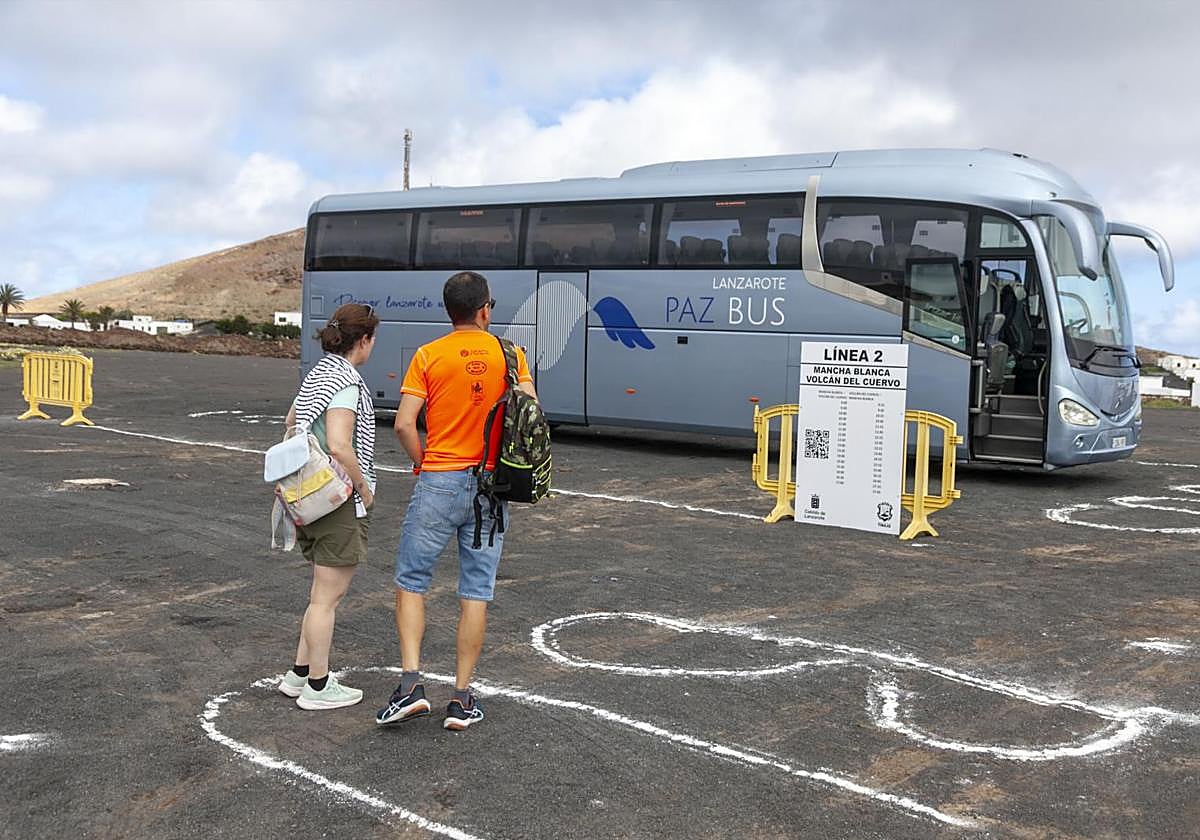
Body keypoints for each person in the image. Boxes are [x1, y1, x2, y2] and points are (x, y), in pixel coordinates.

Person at [376, 271, 536, 731]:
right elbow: (530, 414)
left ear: (449, 311)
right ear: (485, 308)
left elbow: (406, 424)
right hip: (491, 485)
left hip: (439, 479)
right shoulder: (511, 355)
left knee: (412, 580)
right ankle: (462, 698)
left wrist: (424, 462)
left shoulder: (428, 355)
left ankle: (410, 685)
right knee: (476, 590)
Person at [277, 302, 380, 710]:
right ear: (365, 339)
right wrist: (363, 486)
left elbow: (291, 420)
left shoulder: (318, 373)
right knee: (326, 600)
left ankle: (299, 674)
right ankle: (319, 687)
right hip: (336, 501)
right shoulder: (347, 382)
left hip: (307, 495)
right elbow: (339, 443)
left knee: (319, 593)